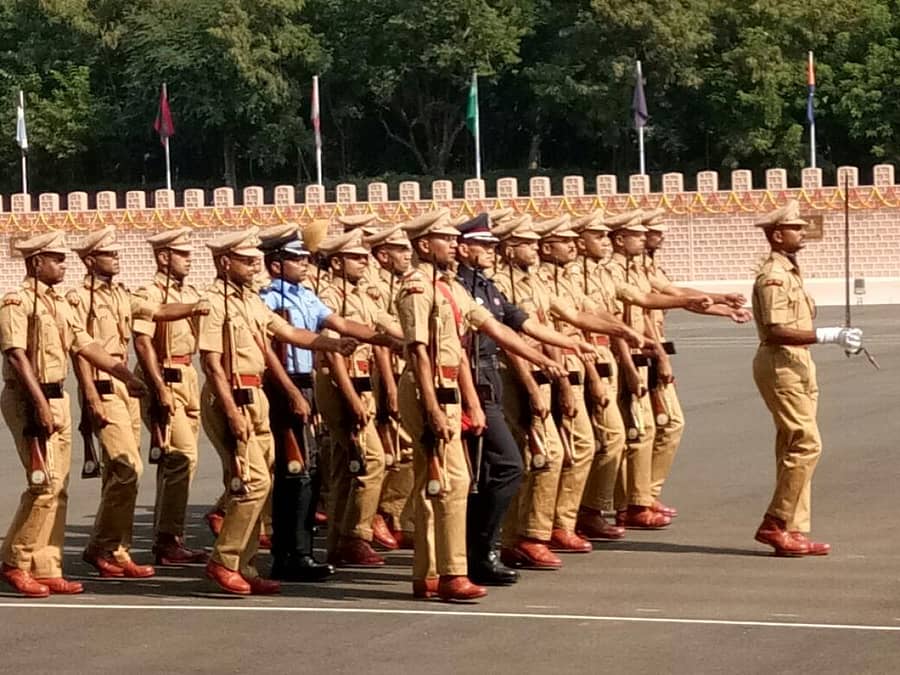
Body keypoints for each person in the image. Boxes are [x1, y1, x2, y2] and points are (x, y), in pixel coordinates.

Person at [396, 209, 565, 602]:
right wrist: (434, 408)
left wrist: (543, 358)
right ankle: (452, 573)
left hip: (452, 385)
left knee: (441, 484)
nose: (454, 244)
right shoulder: (417, 288)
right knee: (446, 482)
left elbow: (491, 329)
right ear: (424, 245)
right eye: (446, 239)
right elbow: (419, 353)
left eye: (456, 239)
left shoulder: (450, 287)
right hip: (429, 389)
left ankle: (432, 573)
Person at [198, 227, 358, 595]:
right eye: (246, 260)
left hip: (255, 396)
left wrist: (332, 344)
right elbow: (212, 365)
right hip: (232, 397)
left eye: (256, 260)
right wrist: (232, 413)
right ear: (225, 263)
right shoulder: (213, 303)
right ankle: (223, 560)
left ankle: (245, 564)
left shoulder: (249, 301)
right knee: (251, 482)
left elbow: (287, 332)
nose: (255, 266)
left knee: (264, 483)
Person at [0, 232, 148, 597]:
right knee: (43, 483)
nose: (63, 264)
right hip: (28, 398)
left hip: (58, 397)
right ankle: (14, 560)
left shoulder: (60, 305)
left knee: (59, 487)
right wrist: (38, 404)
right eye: (56, 259)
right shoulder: (16, 302)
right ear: (37, 262)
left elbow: (86, 345)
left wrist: (126, 375)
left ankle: (47, 565)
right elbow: (16, 356)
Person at [455, 212, 598, 584]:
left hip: (487, 376)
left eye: (491, 245)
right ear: (463, 248)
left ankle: (481, 553)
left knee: (488, 471)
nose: (491, 250)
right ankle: (480, 552)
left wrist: (567, 343)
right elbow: (499, 333)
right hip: (471, 375)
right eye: (483, 245)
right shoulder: (458, 286)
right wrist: (541, 361)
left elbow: (522, 323)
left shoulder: (485, 285)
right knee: (505, 466)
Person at [69, 226, 202, 579]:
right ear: (90, 259)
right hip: (104, 383)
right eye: (109, 254)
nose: (116, 258)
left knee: (121, 472)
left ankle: (116, 547)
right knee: (128, 468)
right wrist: (91, 395)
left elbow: (157, 311)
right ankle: (103, 545)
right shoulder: (79, 299)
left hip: (125, 382)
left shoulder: (122, 295)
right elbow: (80, 352)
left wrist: (196, 306)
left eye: (116, 253)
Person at [751, 200, 861, 556]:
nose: (802, 233)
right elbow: (778, 329)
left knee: (793, 445)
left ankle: (794, 528)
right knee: (807, 443)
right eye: (795, 228)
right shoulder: (773, 277)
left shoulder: (791, 272)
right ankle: (776, 522)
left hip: (798, 363)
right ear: (777, 234)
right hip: (780, 362)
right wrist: (828, 335)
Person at [639, 208, 750, 517]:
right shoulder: (632, 270)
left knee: (659, 427)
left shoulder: (650, 267)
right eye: (653, 232)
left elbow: (680, 294)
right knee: (653, 427)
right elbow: (648, 308)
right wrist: (660, 355)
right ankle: (637, 498)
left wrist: (723, 305)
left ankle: (644, 494)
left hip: (652, 351)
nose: (660, 237)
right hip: (642, 354)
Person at [314, 227, 404, 567]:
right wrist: (351, 397)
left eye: (364, 257)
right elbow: (333, 352)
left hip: (361, 380)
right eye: (355, 257)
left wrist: (410, 342)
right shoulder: (328, 297)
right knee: (372, 459)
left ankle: (338, 541)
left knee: (343, 465)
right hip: (338, 382)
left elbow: (385, 328)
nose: (364, 262)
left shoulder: (362, 295)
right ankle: (355, 535)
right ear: (336, 263)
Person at [132, 227, 208, 566]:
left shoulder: (190, 291)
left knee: (179, 463)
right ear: (164, 257)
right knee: (180, 457)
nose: (189, 260)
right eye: (183, 254)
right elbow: (143, 340)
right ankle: (166, 539)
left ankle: (170, 536)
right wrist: (158, 388)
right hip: (162, 376)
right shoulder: (147, 293)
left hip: (187, 376)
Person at [364, 224, 416, 550]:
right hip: (386, 375)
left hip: (405, 369)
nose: (407, 255)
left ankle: (392, 512)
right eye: (400, 250)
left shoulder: (406, 283)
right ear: (383, 255)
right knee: (387, 450)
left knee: (406, 450)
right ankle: (374, 516)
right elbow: (381, 342)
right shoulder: (375, 289)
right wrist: (391, 387)